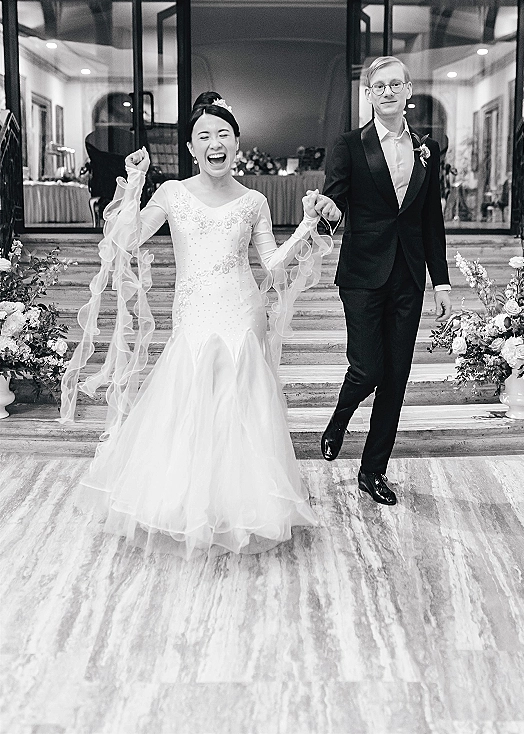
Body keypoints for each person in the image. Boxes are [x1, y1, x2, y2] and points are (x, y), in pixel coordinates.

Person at [60, 92, 331, 557]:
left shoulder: (254, 202)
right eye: (204, 135)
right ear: (190, 147)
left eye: (223, 134)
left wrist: (306, 226)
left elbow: (272, 264)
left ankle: (241, 506)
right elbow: (126, 238)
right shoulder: (172, 194)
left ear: (237, 142)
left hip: (243, 313)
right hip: (193, 313)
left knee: (241, 408)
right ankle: (189, 504)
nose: (214, 142)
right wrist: (134, 181)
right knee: (189, 405)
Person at [313, 57, 452, 506]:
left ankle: (373, 471)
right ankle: (340, 417)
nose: (388, 91)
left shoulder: (428, 149)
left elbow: (432, 219)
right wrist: (328, 212)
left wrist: (442, 284)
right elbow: (334, 201)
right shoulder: (349, 145)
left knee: (396, 378)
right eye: (379, 86)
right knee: (368, 367)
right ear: (368, 95)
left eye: (396, 84)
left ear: (409, 90)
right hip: (362, 273)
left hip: (409, 276)